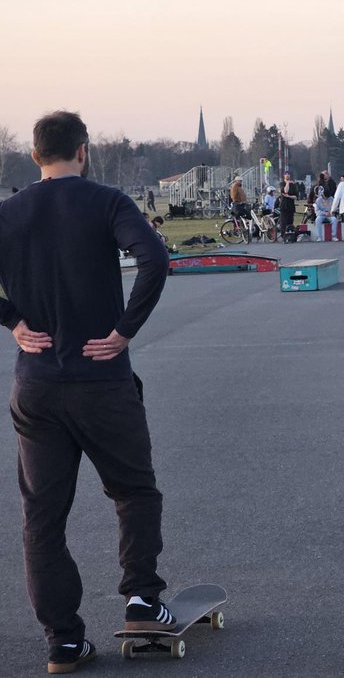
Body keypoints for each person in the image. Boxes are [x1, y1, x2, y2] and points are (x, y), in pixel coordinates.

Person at [0, 111, 176, 673]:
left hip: (38, 386)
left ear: (34, 157)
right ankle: (143, 600)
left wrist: (11, 321)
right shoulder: (107, 202)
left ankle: (64, 641)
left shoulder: (8, 211)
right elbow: (154, 259)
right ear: (84, 151)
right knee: (134, 492)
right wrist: (124, 331)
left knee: (43, 518)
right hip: (101, 382)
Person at [278, 171, 300, 240]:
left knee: (290, 222)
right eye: (286, 174)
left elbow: (296, 197)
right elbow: (285, 191)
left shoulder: (294, 185)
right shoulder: (282, 184)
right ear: (284, 176)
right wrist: (287, 183)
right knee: (283, 222)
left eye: (288, 174)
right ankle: (283, 236)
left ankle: (290, 235)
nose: (287, 175)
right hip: (284, 206)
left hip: (291, 206)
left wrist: (289, 196)